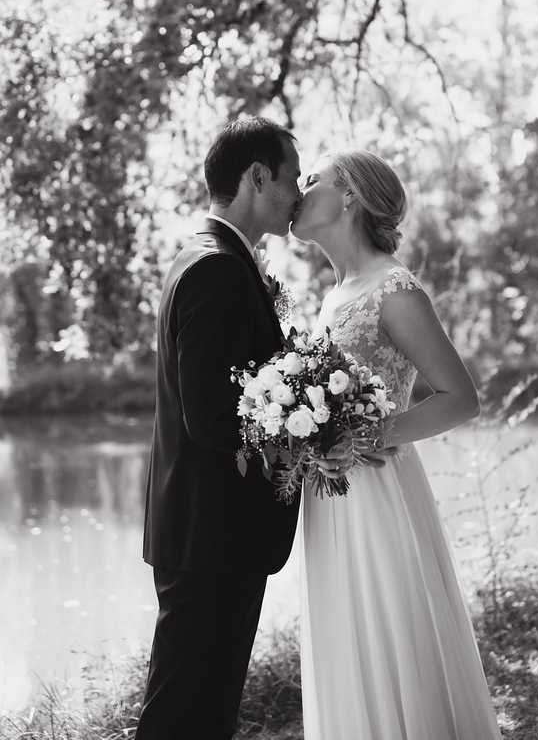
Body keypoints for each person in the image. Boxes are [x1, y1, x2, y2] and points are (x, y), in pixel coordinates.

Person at [291, 150, 502, 740]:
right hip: (331, 497)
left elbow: (460, 397)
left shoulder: (394, 289)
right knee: (348, 636)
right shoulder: (335, 294)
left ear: (350, 195)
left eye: (314, 181)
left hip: (380, 492)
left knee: (391, 633)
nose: (300, 190)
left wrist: (369, 434)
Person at [135, 117, 303, 740]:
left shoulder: (215, 258)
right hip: (211, 530)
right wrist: (295, 428)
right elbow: (209, 415)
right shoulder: (215, 268)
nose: (298, 197)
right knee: (184, 712)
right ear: (257, 177)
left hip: (211, 531)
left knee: (205, 710)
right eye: (290, 180)